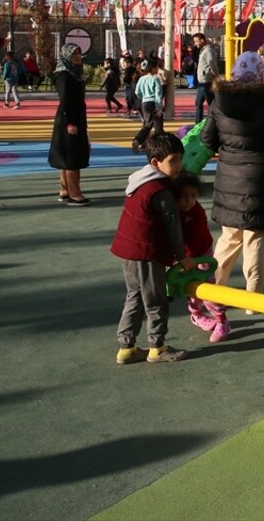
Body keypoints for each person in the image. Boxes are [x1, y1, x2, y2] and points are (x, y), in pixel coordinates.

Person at [201, 51, 264, 320]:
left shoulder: (220, 100)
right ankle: (254, 296)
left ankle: (215, 289)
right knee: (256, 237)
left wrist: (228, 152)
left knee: (229, 236)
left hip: (229, 177)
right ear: (261, 73)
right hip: (261, 177)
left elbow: (208, 140)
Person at [109, 132, 195, 365]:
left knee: (135, 296)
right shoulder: (161, 191)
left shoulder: (140, 181)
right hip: (146, 253)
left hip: (128, 249)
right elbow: (173, 227)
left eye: (180, 159)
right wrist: (182, 256)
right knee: (156, 300)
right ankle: (157, 347)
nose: (178, 165)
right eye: (173, 160)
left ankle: (126, 347)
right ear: (156, 163)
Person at [173, 170, 230, 343]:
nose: (189, 200)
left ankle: (222, 320)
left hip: (200, 253)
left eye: (193, 195)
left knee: (208, 287)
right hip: (185, 256)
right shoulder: (172, 211)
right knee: (190, 287)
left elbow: (195, 240)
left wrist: (183, 258)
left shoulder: (196, 212)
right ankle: (196, 314)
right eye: (183, 196)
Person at [49, 44, 91, 205]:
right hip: (69, 119)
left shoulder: (75, 72)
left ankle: (65, 190)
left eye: (79, 53)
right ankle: (75, 194)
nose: (78, 56)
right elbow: (65, 99)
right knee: (72, 157)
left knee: (68, 156)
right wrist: (70, 122)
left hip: (76, 116)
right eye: (74, 54)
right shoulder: (63, 75)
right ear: (67, 55)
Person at [131, 60, 165, 154]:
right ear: (153, 69)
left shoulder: (142, 79)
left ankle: (138, 140)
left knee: (148, 124)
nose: (158, 69)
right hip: (154, 102)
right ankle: (160, 146)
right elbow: (158, 94)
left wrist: (143, 97)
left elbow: (137, 92)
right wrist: (159, 108)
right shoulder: (155, 79)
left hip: (144, 103)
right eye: (157, 67)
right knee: (158, 125)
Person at [192, 32, 218, 123]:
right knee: (198, 103)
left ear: (202, 40)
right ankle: (198, 123)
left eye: (196, 41)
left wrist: (216, 75)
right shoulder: (203, 50)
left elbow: (212, 63)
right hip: (202, 81)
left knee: (211, 103)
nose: (195, 44)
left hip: (206, 81)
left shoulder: (208, 51)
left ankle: (213, 122)